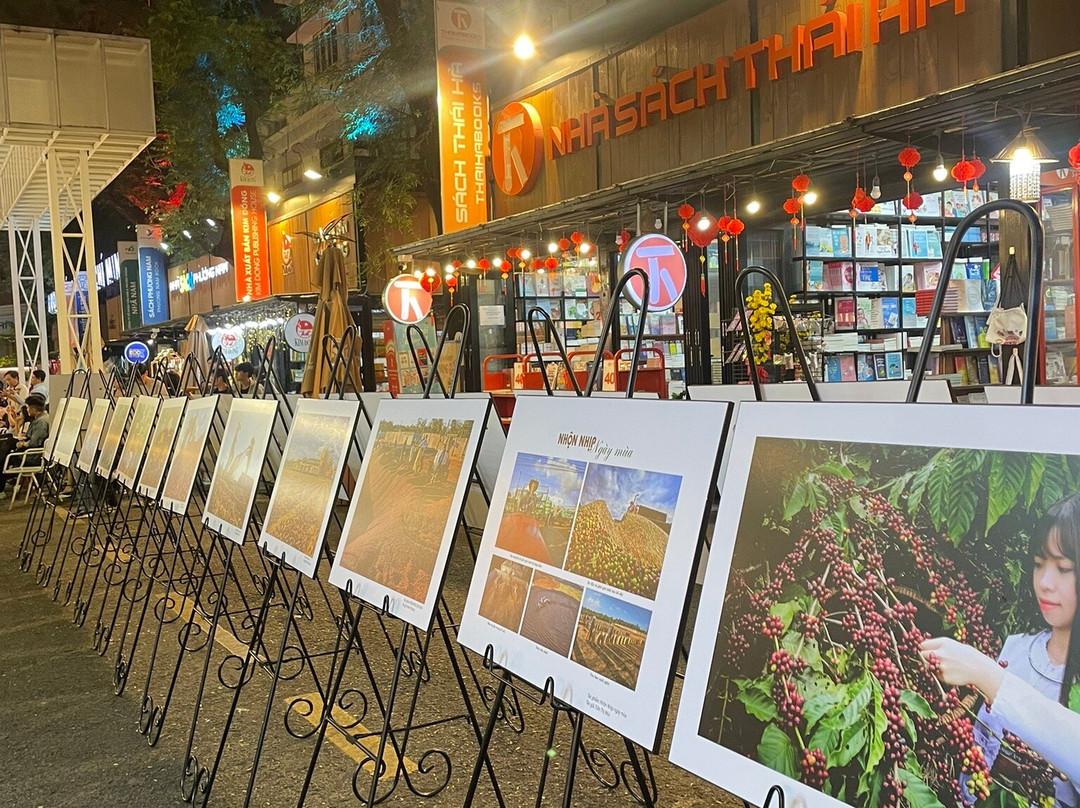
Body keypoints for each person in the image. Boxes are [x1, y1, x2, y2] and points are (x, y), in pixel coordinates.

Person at [921, 494, 1080, 803]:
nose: (1045, 583)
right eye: (1038, 564)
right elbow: (982, 751)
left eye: (1063, 568)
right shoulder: (1016, 650)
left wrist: (984, 672)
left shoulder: (996, 672)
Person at [0, 393, 48, 498]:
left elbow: (35, 442)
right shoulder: (41, 419)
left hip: (32, 456)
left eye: (27, 407)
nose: (26, 410)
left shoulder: (41, 422)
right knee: (8, 440)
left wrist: (22, 443)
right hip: (31, 453)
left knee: (4, 458)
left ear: (34, 409)